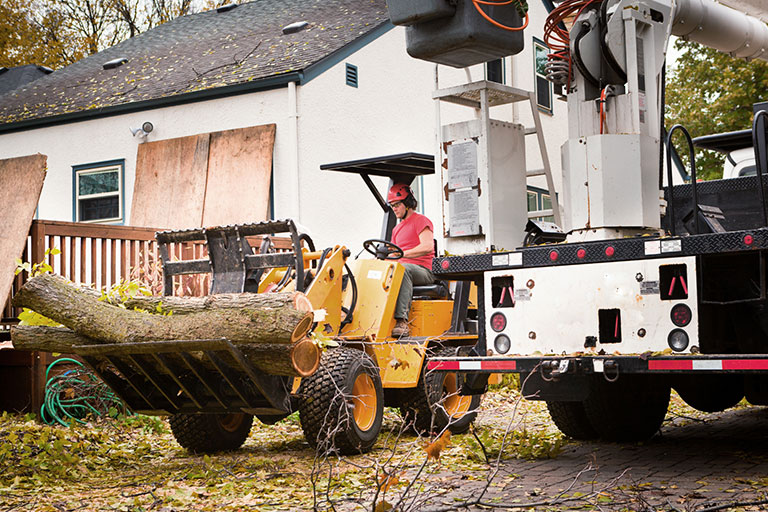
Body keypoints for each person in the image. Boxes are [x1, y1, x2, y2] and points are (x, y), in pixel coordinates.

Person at [387, 183, 435, 337]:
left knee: (403, 269)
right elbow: (393, 254)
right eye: (392, 205)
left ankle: (402, 320)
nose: (394, 208)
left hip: (424, 270)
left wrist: (403, 255)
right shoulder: (396, 229)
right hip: (403, 268)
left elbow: (428, 246)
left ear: (407, 204)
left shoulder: (421, 221)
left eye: (397, 205)